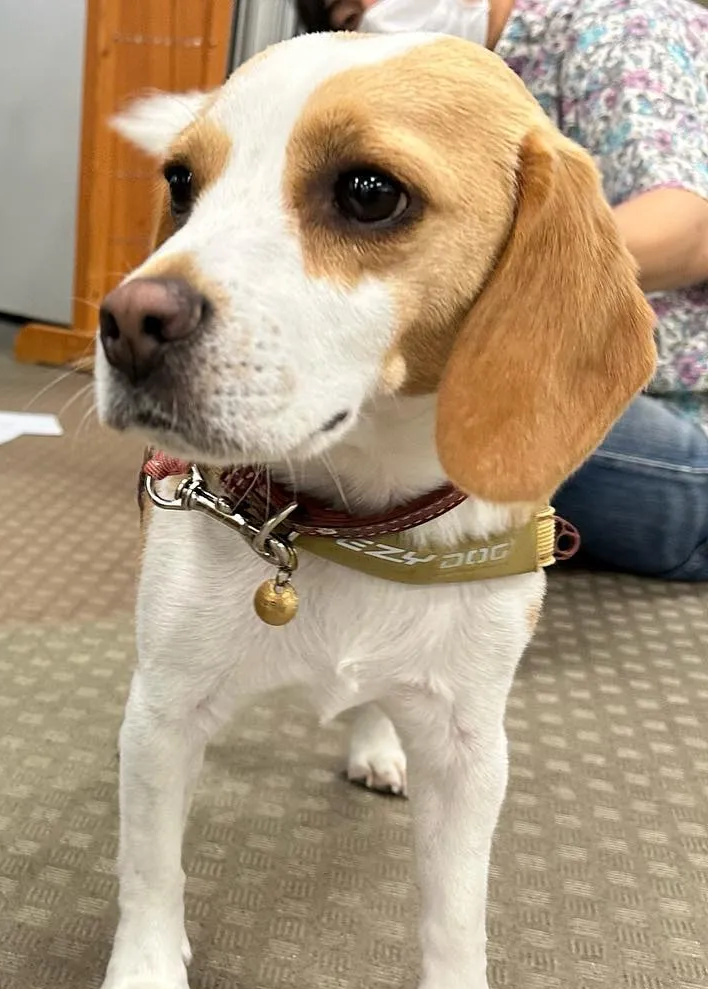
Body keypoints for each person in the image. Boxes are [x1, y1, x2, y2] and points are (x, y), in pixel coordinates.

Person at [295, 0, 708, 580]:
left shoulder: (624, 22)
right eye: (345, 18)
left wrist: (496, 265)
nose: (368, 18)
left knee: (448, 408)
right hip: (575, 373)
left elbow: (690, 228)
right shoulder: (448, 91)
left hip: (683, 416)